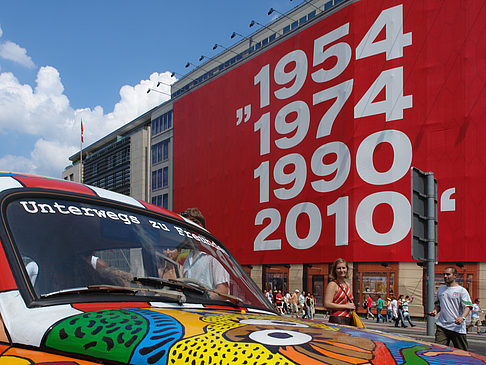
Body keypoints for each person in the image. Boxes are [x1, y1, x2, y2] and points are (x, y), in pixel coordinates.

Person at [180, 208, 229, 296]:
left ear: (199, 226)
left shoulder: (214, 255)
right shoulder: (188, 258)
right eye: (183, 228)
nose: (184, 231)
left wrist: (202, 297)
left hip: (208, 308)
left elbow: (223, 292)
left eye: (186, 227)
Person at [429, 266, 473, 351]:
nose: (445, 276)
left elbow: (468, 307)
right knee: (437, 351)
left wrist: (462, 317)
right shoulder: (441, 289)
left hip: (457, 327)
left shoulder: (461, 290)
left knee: (462, 353)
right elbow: (438, 305)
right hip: (442, 326)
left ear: (455, 276)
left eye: (448, 274)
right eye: (444, 274)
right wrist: (435, 311)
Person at [324, 258, 356, 326]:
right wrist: (346, 306)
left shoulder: (347, 285)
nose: (341, 270)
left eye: (343, 268)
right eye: (339, 268)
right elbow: (327, 304)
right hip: (337, 319)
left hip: (348, 319)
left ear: (347, 269)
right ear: (335, 270)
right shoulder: (332, 284)